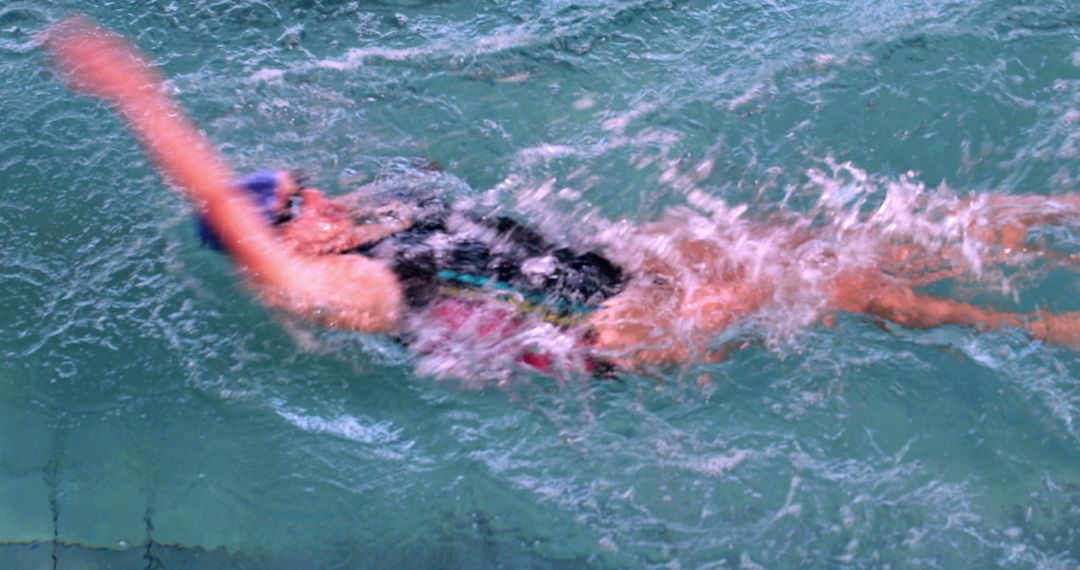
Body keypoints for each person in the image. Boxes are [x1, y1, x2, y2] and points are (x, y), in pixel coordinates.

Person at [43, 18, 1080, 377]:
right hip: (607, 333)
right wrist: (140, 98)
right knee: (840, 280)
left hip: (600, 264)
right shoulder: (335, 293)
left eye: (302, 186)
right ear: (275, 244)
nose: (311, 198)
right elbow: (239, 224)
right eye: (287, 206)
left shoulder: (355, 220)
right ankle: (1040, 326)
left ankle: (1059, 216)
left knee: (815, 232)